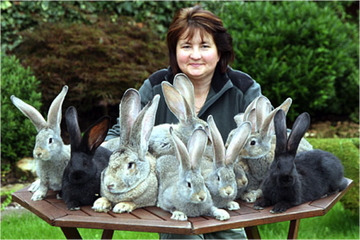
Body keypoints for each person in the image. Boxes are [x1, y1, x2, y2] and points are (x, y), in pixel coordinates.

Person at [105, 5, 262, 240]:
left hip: (228, 196)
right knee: (181, 236)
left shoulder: (242, 87)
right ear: (175, 51)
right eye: (186, 46)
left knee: (230, 236)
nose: (195, 55)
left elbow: (269, 135)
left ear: (220, 51)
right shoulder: (158, 84)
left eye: (205, 46)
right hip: (175, 200)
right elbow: (121, 135)